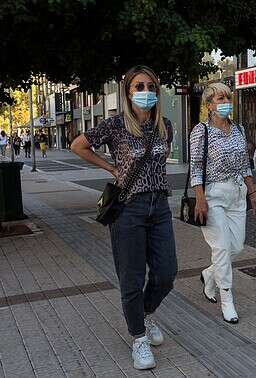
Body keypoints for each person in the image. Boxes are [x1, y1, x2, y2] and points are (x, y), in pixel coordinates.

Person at [71, 65, 177, 370]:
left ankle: (143, 313)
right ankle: (139, 338)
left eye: (151, 87)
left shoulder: (165, 126)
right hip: (128, 209)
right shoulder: (115, 125)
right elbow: (78, 145)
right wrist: (111, 168)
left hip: (160, 207)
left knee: (167, 273)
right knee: (131, 278)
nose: (146, 93)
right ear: (128, 92)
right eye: (139, 87)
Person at [191, 83, 256, 324]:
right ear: (209, 104)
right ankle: (226, 300)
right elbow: (195, 168)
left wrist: (253, 193)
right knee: (222, 248)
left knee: (237, 247)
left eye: (228, 98)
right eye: (220, 98)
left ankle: (209, 274)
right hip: (213, 194)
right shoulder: (200, 131)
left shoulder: (239, 130)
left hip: (237, 193)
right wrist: (200, 199)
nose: (225, 102)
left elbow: (245, 164)